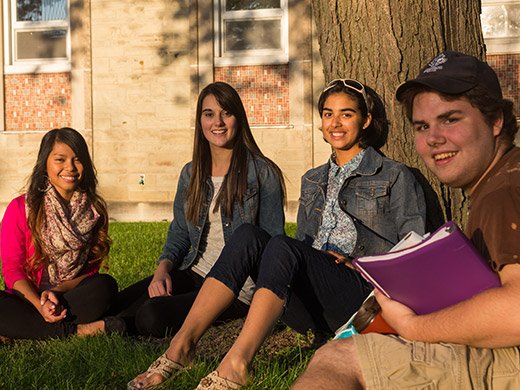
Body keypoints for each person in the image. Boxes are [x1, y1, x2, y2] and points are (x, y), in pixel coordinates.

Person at [128, 79, 429, 389]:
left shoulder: (394, 175)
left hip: (360, 298)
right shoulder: (313, 180)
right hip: (311, 306)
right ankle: (181, 348)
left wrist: (357, 263)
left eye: (347, 114)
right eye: (328, 114)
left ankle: (237, 364)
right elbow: (301, 245)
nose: (335, 123)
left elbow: (414, 252)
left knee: (282, 246)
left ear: (365, 120)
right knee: (247, 235)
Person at [292, 51, 520, 389]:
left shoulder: (504, 192)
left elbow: (515, 311)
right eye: (422, 126)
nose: (433, 138)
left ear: (496, 121)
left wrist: (415, 327)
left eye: (451, 119)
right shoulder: (499, 181)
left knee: (337, 359)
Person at [112, 81, 286, 337]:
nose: (218, 122)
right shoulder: (191, 173)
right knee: (122, 302)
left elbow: (273, 243)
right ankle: (110, 323)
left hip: (235, 288)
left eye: (226, 113)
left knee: (151, 315)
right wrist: (162, 271)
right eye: (209, 114)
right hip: (196, 270)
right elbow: (180, 232)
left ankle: (113, 327)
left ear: (239, 118)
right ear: (200, 121)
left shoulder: (262, 173)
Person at [0, 127, 122, 339]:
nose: (70, 168)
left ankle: (23, 332)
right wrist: (40, 305)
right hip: (28, 300)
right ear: (45, 163)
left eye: (77, 159)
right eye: (60, 159)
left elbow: (91, 270)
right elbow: (12, 269)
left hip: (69, 298)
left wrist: (56, 292)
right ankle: (80, 331)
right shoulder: (21, 208)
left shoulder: (94, 211)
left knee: (105, 286)